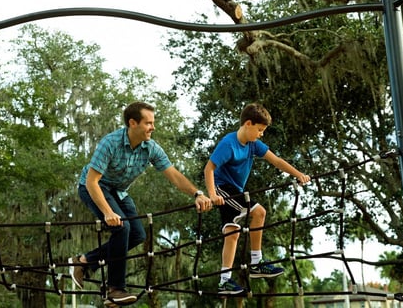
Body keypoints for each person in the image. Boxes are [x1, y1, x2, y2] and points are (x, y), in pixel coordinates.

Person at [70, 101, 213, 306]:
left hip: (119, 192)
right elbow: (92, 182)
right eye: (148, 123)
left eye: (153, 122)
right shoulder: (110, 143)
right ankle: (115, 289)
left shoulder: (151, 148)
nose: (153, 127)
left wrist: (197, 193)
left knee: (137, 234)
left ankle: (84, 261)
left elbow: (173, 175)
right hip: (94, 187)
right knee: (121, 227)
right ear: (133, 123)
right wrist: (109, 212)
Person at [204, 102, 310, 294]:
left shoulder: (254, 145)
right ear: (248, 124)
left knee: (232, 232)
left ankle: (224, 281)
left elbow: (276, 160)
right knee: (258, 211)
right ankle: (256, 262)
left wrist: (298, 174)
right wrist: (212, 194)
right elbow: (209, 168)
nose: (261, 134)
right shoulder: (228, 144)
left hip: (236, 190)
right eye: (260, 130)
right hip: (222, 188)